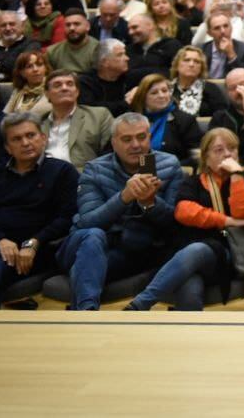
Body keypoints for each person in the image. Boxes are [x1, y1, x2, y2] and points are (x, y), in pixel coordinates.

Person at [124, 128, 244, 311]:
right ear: (206, 157)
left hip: (230, 255)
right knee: (190, 288)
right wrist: (228, 221)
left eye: (232, 148)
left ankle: (141, 303)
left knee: (197, 249)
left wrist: (236, 175)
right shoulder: (193, 182)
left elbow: (242, 211)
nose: (227, 154)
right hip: (190, 257)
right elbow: (184, 211)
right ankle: (186, 334)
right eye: (218, 150)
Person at [55, 113, 183, 310]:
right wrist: (124, 196)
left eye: (141, 137)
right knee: (93, 236)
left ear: (150, 137)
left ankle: (84, 312)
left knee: (83, 270)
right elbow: (88, 222)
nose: (135, 145)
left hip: (132, 250)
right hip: (88, 243)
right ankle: (86, 313)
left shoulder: (169, 165)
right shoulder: (95, 169)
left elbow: (174, 226)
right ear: (114, 142)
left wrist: (149, 203)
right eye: (126, 139)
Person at [0, 113, 78, 308]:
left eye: (31, 135)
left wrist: (33, 242)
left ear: (43, 138)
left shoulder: (62, 172)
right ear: (8, 147)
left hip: (36, 251)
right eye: (17, 139)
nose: (25, 143)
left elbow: (67, 217)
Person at [129, 72, 201, 166]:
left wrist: (168, 167)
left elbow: (196, 156)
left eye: (164, 91)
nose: (161, 95)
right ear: (143, 97)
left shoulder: (185, 120)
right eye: (154, 93)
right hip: (132, 172)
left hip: (173, 173)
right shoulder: (130, 121)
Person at [169, 46, 230, 118]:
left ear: (201, 68)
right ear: (176, 65)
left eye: (197, 62)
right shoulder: (167, 89)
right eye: (186, 60)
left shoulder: (210, 89)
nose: (191, 64)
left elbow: (222, 116)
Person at [0, 11, 38, 83]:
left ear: (21, 26)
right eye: (3, 25)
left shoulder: (31, 44)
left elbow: (22, 65)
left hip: (21, 89)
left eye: (12, 24)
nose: (8, 28)